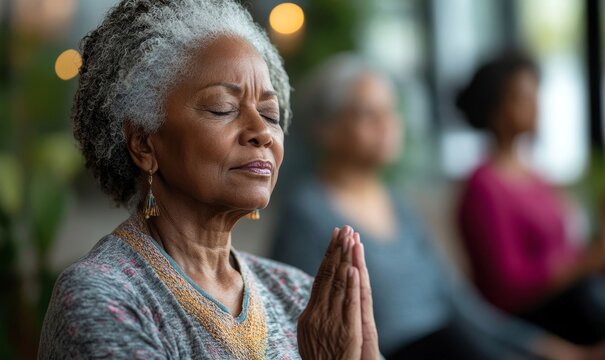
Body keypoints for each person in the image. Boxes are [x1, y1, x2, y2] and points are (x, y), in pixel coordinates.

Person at [38, 1, 381, 359]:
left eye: (269, 113)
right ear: (144, 144)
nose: (261, 132)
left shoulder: (298, 294)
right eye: (222, 108)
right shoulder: (104, 295)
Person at [271, 53, 604, 359]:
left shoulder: (398, 204)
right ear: (326, 129)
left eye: (391, 110)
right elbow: (298, 323)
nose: (388, 124)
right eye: (368, 113)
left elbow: (461, 305)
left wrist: (556, 350)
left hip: (452, 340)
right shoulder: (307, 213)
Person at [456, 52, 605, 345]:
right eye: (523, 98)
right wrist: (585, 263)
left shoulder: (537, 176)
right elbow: (507, 286)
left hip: (566, 301)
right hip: (524, 318)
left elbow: (565, 251)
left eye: (536, 95)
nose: (537, 107)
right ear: (496, 108)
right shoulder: (483, 186)